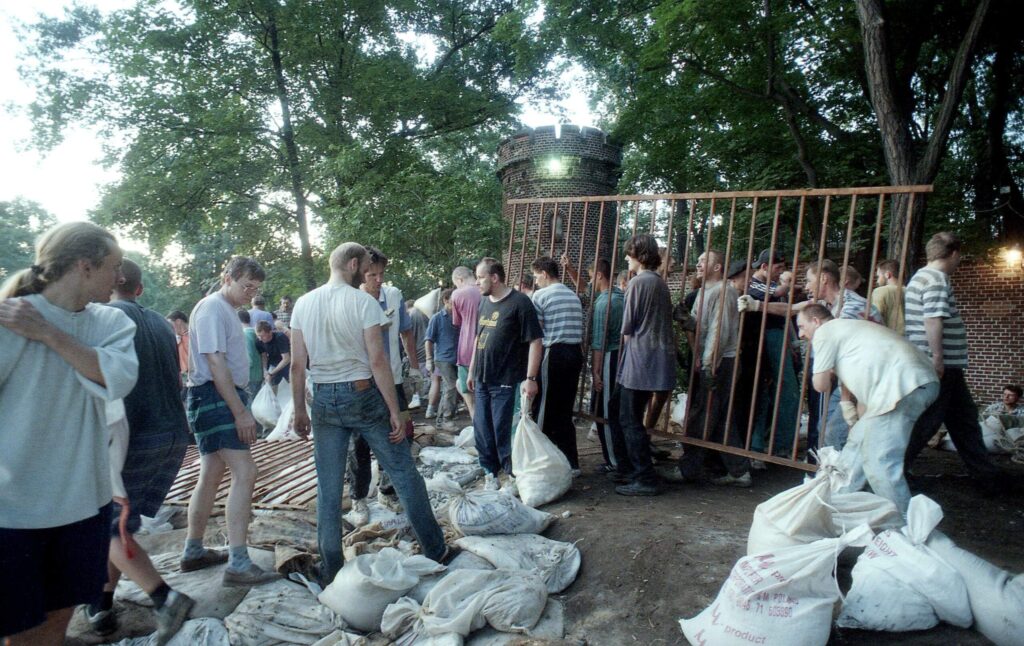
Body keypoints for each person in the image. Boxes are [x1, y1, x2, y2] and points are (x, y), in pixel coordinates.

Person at [0, 222, 138, 645]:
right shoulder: (8, 320)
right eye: (113, 267)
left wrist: (48, 333)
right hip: (15, 512)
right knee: (20, 634)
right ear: (84, 266)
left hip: (83, 505)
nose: (120, 277)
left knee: (56, 630)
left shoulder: (110, 322)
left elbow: (117, 377)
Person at [289, 242, 457, 585]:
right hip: (363, 395)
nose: (369, 274)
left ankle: (331, 567)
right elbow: (378, 361)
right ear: (352, 264)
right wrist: (396, 410)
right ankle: (435, 549)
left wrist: (297, 411)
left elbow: (296, 365)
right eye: (365, 267)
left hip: (322, 399)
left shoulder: (303, 304)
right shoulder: (363, 303)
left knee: (329, 487)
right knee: (403, 471)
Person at [86, 259, 193, 640]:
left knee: (104, 527)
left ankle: (164, 598)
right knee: (120, 525)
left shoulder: (104, 319)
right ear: (140, 289)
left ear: (108, 282)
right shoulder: (164, 324)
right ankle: (102, 604)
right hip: (174, 434)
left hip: (134, 434)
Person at [181, 256, 278, 587]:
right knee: (245, 471)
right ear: (227, 278)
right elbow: (215, 362)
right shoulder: (211, 308)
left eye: (255, 288)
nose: (250, 293)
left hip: (213, 396)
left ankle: (193, 550)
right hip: (214, 397)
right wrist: (240, 411)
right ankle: (238, 562)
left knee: (211, 473)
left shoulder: (224, 310)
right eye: (246, 285)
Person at [798, 304, 938, 514]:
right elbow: (862, 389)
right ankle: (833, 513)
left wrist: (823, 371)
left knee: (879, 463)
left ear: (816, 321)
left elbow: (820, 385)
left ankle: (907, 529)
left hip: (901, 387)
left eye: (801, 326)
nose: (800, 334)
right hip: (906, 385)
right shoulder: (850, 331)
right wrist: (852, 412)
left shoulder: (825, 332)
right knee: (854, 450)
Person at [904, 232, 1004, 491]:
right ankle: (893, 469)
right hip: (940, 364)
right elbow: (932, 319)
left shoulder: (920, 276)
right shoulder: (936, 279)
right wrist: (938, 358)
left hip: (945, 365)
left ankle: (986, 475)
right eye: (959, 257)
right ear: (954, 254)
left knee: (964, 419)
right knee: (927, 421)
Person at [467, 258, 544, 491]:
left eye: (480, 277)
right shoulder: (483, 303)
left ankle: (511, 475)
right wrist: (472, 370)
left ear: (494, 278)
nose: (476, 282)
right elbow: (478, 339)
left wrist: (531, 379)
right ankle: (490, 474)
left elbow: (535, 341)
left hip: (506, 380)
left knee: (503, 431)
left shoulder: (520, 303)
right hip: (482, 379)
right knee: (482, 430)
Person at [608, 234, 676, 496]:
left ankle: (644, 477)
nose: (626, 258)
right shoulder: (658, 282)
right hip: (652, 360)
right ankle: (628, 468)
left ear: (640, 256)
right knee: (618, 410)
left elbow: (627, 328)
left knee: (629, 419)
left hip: (640, 362)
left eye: (629, 253)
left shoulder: (638, 283)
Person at [678, 251, 752, 487]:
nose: (698, 264)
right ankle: (740, 471)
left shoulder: (724, 291)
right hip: (711, 359)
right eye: (698, 260)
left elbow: (720, 332)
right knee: (718, 417)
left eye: (704, 261)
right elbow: (704, 327)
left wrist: (709, 365)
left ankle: (688, 470)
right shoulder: (703, 291)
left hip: (721, 361)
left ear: (718, 267)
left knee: (703, 414)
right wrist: (687, 321)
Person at [801, 259, 881, 451]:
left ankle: (849, 478)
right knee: (825, 431)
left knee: (835, 434)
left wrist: (846, 399)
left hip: (866, 381)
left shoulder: (850, 308)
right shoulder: (828, 306)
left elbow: (849, 357)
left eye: (809, 280)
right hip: (849, 381)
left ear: (823, 278)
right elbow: (797, 309)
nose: (806, 286)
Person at [735, 249, 800, 459]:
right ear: (764, 266)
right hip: (762, 342)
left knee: (776, 393)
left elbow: (784, 309)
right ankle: (763, 447)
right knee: (768, 393)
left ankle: (771, 444)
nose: (781, 271)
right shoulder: (755, 285)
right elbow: (781, 304)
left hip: (777, 339)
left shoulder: (769, 285)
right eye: (778, 268)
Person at [529, 256, 585, 471]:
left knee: (543, 408)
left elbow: (538, 335)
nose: (535, 281)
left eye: (536, 276)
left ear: (544, 274)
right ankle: (572, 463)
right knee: (564, 410)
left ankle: (541, 461)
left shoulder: (540, 296)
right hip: (575, 353)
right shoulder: (572, 295)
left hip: (554, 353)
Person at [589, 259, 625, 473]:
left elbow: (599, 342)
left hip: (610, 358)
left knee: (604, 412)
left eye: (592, 276)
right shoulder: (621, 297)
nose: (591, 281)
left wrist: (596, 371)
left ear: (599, 275)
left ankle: (614, 461)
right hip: (623, 357)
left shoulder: (604, 303)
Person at [425, 288, 460, 429]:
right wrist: (429, 359)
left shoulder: (459, 317)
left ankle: (441, 419)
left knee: (450, 388)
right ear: (446, 300)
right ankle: (446, 418)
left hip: (457, 357)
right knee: (451, 386)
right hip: (443, 358)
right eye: (454, 299)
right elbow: (428, 340)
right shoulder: (437, 318)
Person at [451, 265, 481, 420]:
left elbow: (457, 322)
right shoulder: (486, 290)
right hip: (488, 347)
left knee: (466, 390)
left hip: (467, 348)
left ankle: (476, 425)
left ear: (459, 279)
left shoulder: (458, 294)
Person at [406, 298, 431, 408]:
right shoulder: (426, 312)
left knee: (420, 379)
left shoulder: (411, 315)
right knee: (430, 378)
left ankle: (421, 400)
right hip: (429, 349)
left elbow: (408, 336)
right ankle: (429, 401)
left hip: (418, 352)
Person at [255, 319, 291, 388]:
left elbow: (286, 359)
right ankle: (273, 398)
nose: (260, 338)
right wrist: (265, 370)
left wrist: (271, 373)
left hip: (287, 363)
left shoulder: (280, 337)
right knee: (272, 385)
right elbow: (264, 356)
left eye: (262, 336)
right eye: (258, 336)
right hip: (273, 363)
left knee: (295, 384)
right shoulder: (258, 341)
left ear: (270, 332)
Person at [872, 259, 905, 334]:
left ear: (887, 274)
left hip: (889, 337)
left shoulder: (880, 291)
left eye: (878, 276)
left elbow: (875, 317)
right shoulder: (909, 290)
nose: (877, 281)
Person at [238, 310, 263, 402]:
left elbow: (249, 359)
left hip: (250, 375)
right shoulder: (255, 332)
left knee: (250, 403)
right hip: (259, 373)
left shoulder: (244, 335)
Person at [167, 310, 190, 382]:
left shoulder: (194, 336)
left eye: (170, 324)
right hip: (186, 378)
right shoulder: (177, 340)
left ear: (178, 321)